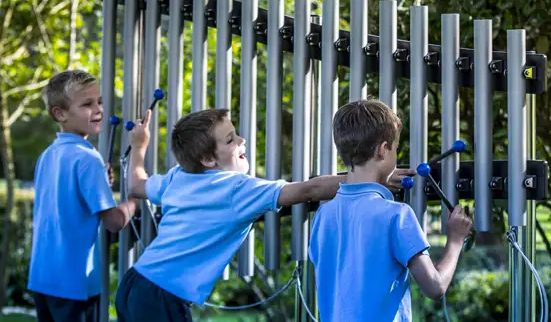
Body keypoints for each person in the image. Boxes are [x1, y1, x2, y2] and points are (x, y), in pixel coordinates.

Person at [115, 107, 413, 322]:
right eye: (231, 140)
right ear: (207, 159)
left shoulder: (178, 177)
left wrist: (138, 146)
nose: (242, 141)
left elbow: (136, 185)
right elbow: (307, 190)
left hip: (134, 283)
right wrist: (371, 177)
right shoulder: (235, 188)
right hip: (162, 298)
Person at [309, 99, 473, 322]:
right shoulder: (397, 215)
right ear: (383, 149)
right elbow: (435, 286)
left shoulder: (323, 215)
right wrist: (455, 239)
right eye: (395, 148)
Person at [27, 70, 138, 322]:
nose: (98, 109)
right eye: (87, 104)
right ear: (60, 113)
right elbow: (114, 222)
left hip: (43, 277)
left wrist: (101, 183)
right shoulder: (88, 158)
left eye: (99, 101)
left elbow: (68, 200)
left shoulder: (49, 154)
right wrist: (136, 197)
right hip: (74, 282)